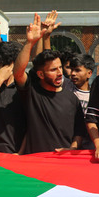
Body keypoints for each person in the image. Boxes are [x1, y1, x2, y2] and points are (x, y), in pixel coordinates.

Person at [13, 13, 86, 154]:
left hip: (64, 163)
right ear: (40, 74)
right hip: (35, 164)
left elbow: (79, 131)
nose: (59, 72)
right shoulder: (32, 93)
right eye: (53, 70)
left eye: (60, 67)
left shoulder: (72, 98)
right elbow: (18, 73)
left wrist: (72, 148)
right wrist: (30, 43)